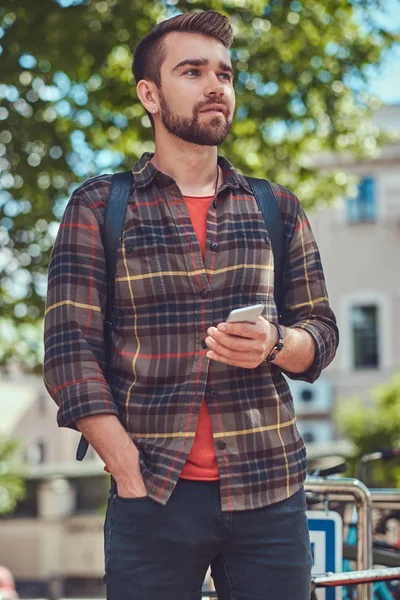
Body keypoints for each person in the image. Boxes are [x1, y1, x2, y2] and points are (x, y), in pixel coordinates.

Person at [43, 10, 339, 600]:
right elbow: (68, 352)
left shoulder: (277, 208)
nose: (215, 86)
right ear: (149, 94)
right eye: (193, 71)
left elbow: (322, 334)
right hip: (151, 494)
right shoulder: (100, 207)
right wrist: (125, 467)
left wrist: (276, 344)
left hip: (271, 489)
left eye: (225, 74)